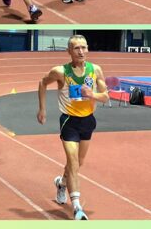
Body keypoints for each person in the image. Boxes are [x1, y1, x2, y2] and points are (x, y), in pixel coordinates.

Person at [37, 34, 109, 220]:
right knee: (73, 162)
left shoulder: (96, 70)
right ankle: (77, 207)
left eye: (84, 47)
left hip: (88, 121)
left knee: (77, 163)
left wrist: (92, 94)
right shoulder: (60, 72)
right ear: (69, 51)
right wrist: (42, 109)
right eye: (77, 48)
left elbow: (105, 96)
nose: (81, 51)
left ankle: (61, 183)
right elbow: (42, 83)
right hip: (69, 121)